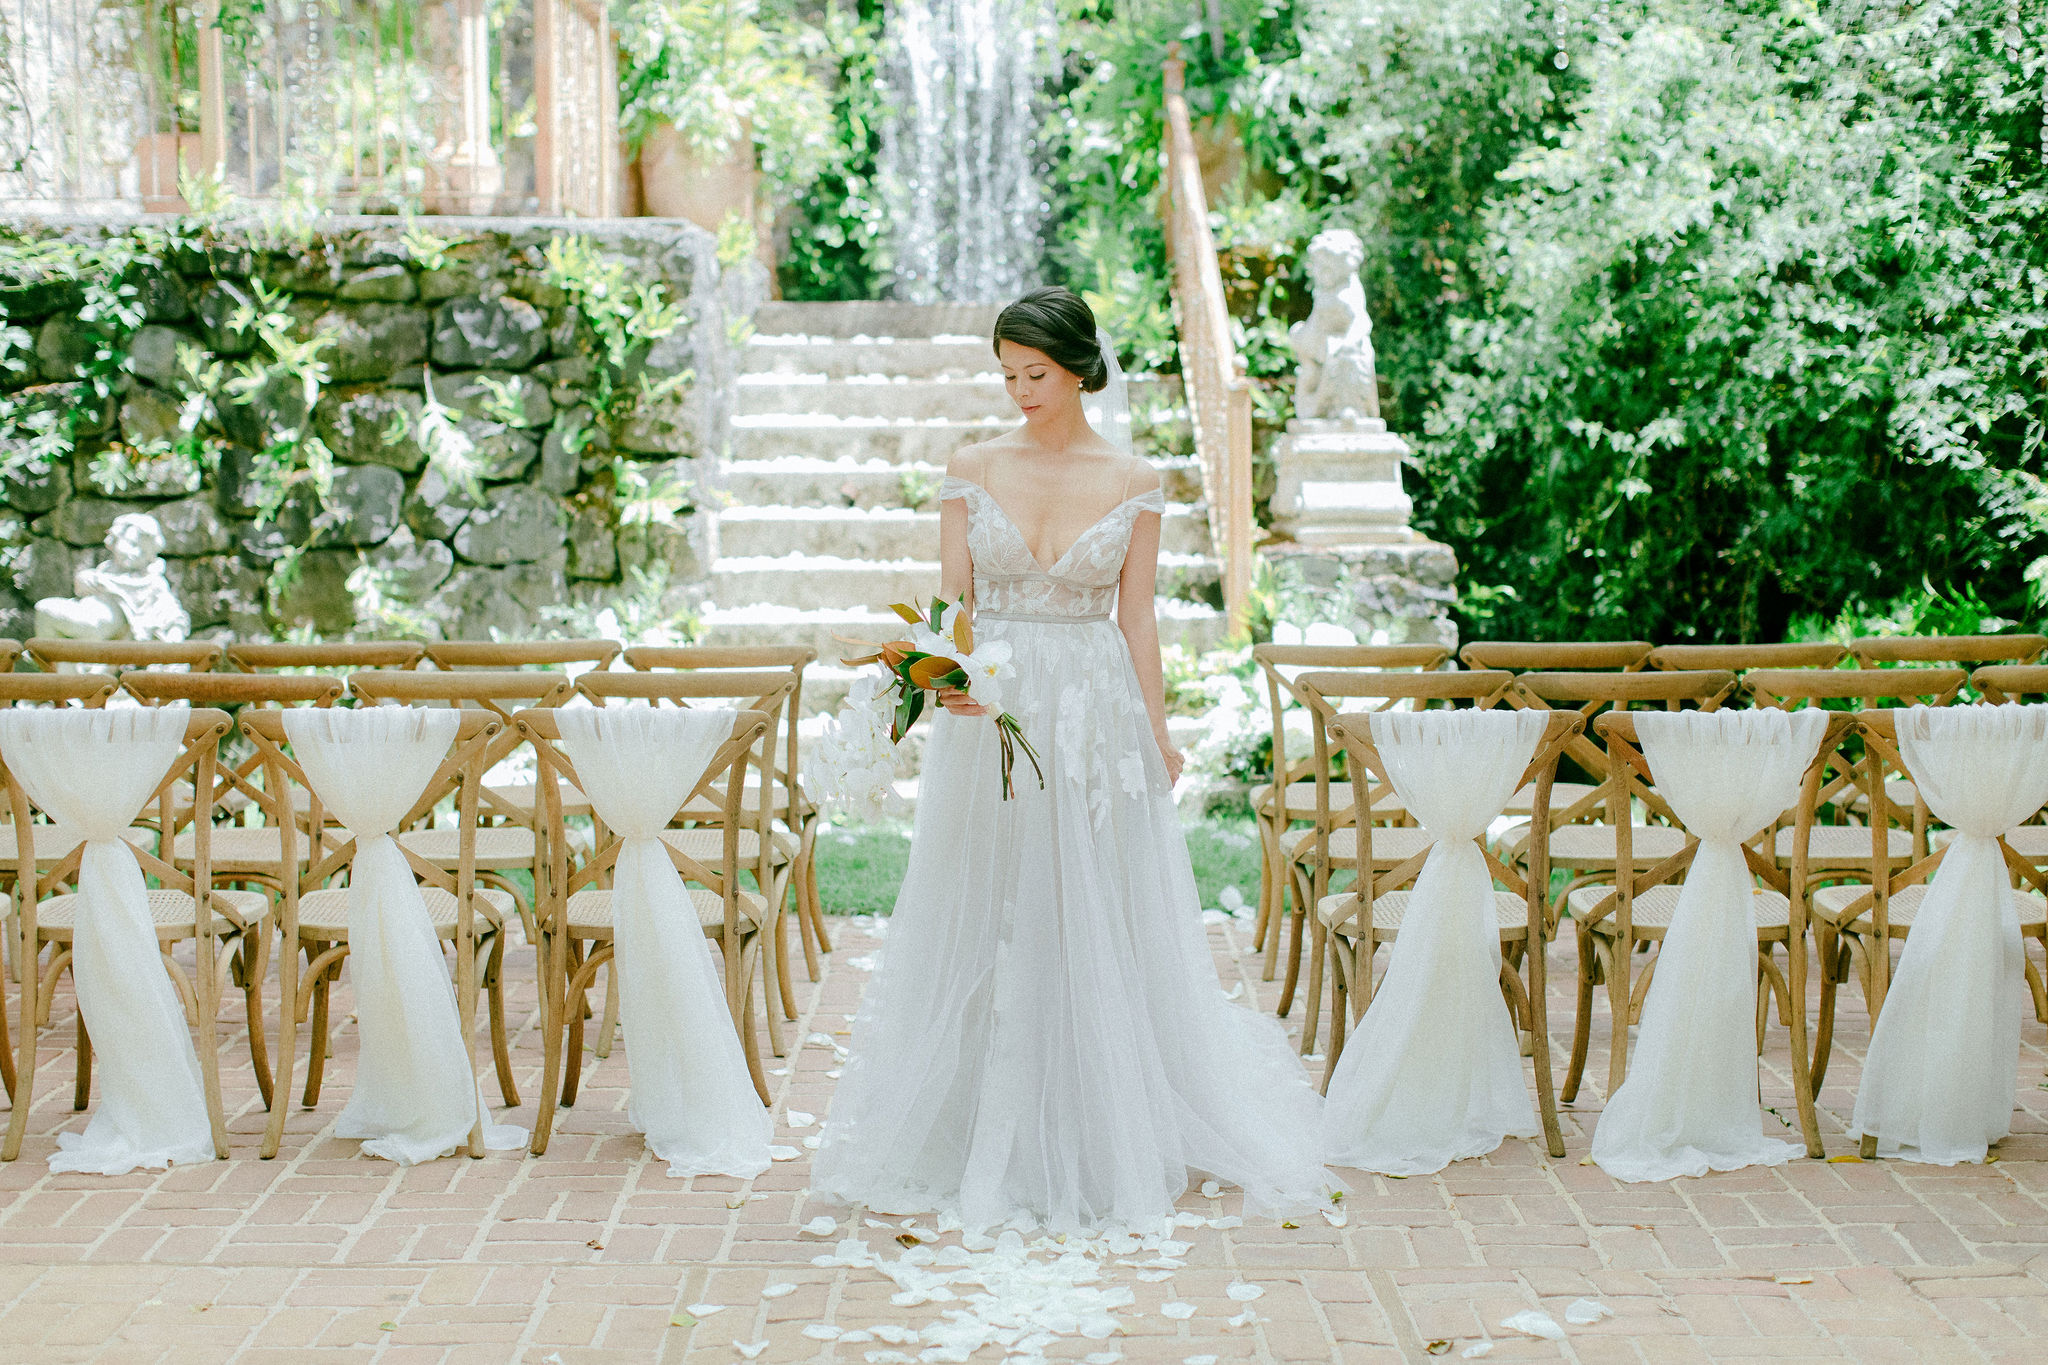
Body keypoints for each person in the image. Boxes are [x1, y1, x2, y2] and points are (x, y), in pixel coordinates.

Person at [812, 286, 1334, 1232]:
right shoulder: (971, 466)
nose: (1019, 390)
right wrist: (945, 674)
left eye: (1035, 373)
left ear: (1081, 368)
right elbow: (953, 604)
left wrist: (1160, 730)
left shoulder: (1136, 479)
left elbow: (1137, 618)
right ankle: (977, 1115)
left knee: (1096, 900)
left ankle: (1098, 1116)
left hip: (1093, 711)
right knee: (991, 895)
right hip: (993, 708)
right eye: (1007, 373)